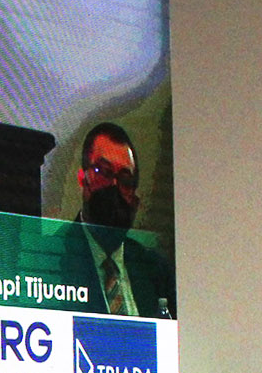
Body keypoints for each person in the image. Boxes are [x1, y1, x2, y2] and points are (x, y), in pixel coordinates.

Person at [57, 122, 177, 318]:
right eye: (103, 172)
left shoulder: (155, 269)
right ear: (82, 178)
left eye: (125, 180)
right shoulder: (53, 257)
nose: (113, 186)